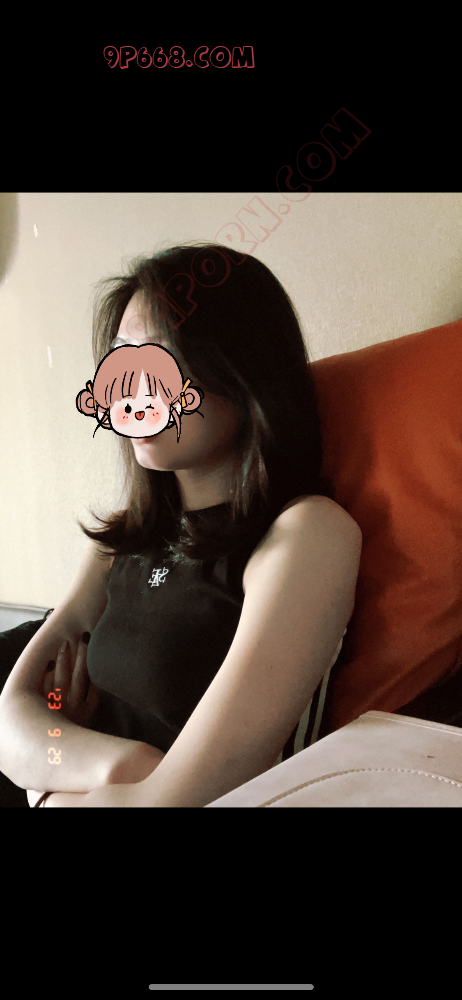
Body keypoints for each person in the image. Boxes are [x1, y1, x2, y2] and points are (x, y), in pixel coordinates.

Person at [0, 242, 362, 808]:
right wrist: (121, 764)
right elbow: (16, 720)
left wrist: (50, 787)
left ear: (242, 368)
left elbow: (177, 798)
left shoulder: (307, 535)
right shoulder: (123, 539)